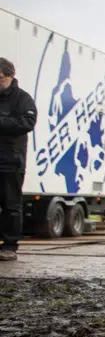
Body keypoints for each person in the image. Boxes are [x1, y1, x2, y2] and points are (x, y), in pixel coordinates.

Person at [0, 58, 37, 260]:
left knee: (10, 205)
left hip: (10, 160)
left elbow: (27, 122)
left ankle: (9, 246)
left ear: (10, 76)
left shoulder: (22, 99)